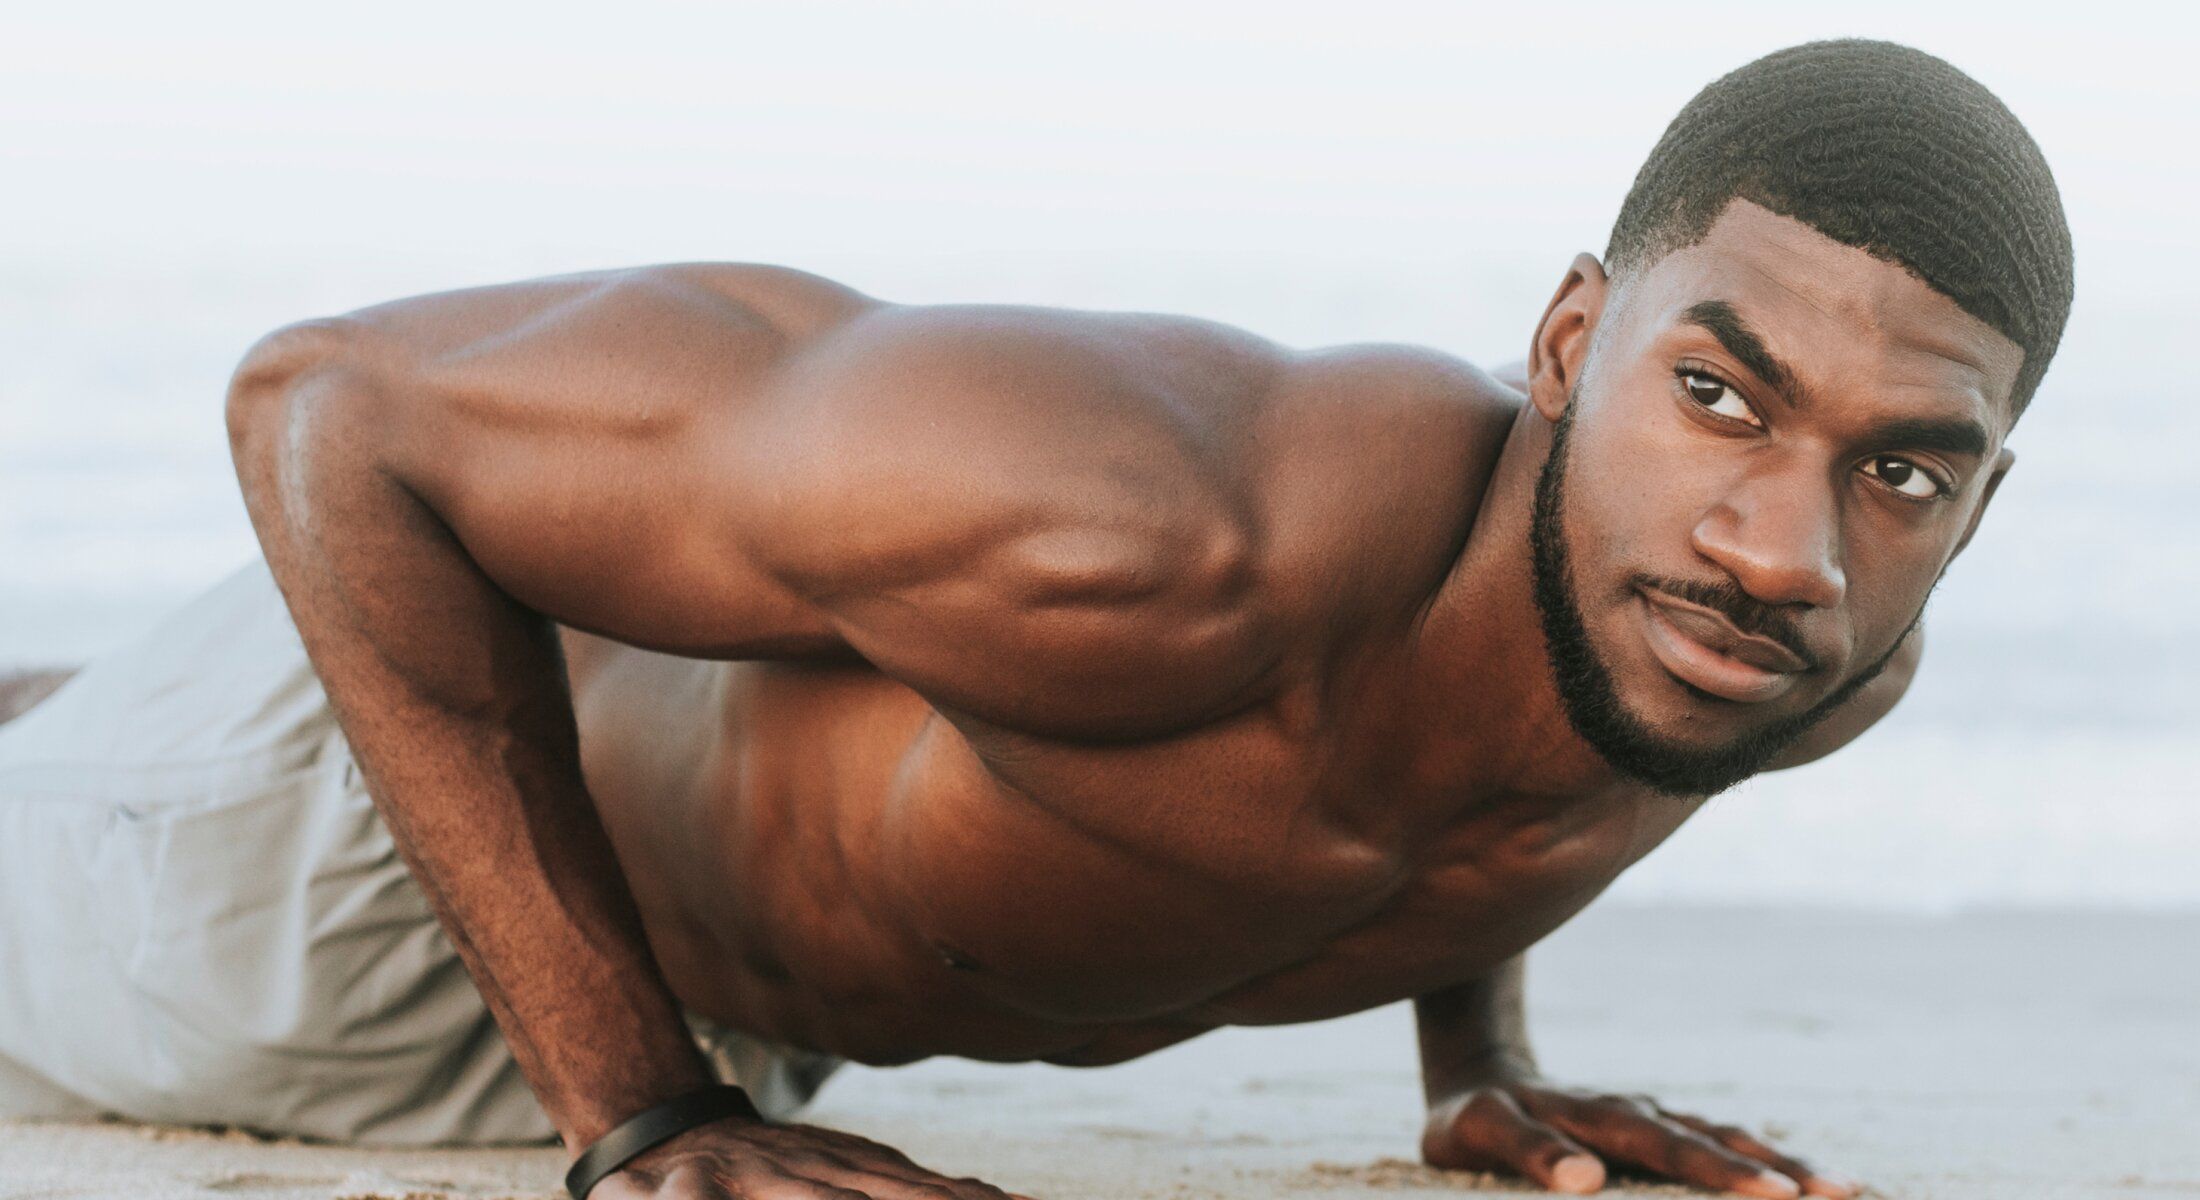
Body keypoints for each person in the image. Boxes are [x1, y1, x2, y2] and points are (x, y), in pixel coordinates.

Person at [0, 37, 2071, 1200]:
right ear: (1563, 343)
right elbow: (327, 408)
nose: (1778, 543)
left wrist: (1475, 1064)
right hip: (342, 876)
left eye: (1902, 466)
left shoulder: (1793, 661)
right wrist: (639, 1124)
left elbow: (1496, 770)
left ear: (1976, 498)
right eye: (1716, 393)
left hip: (730, 1026)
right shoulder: (1143, 521)